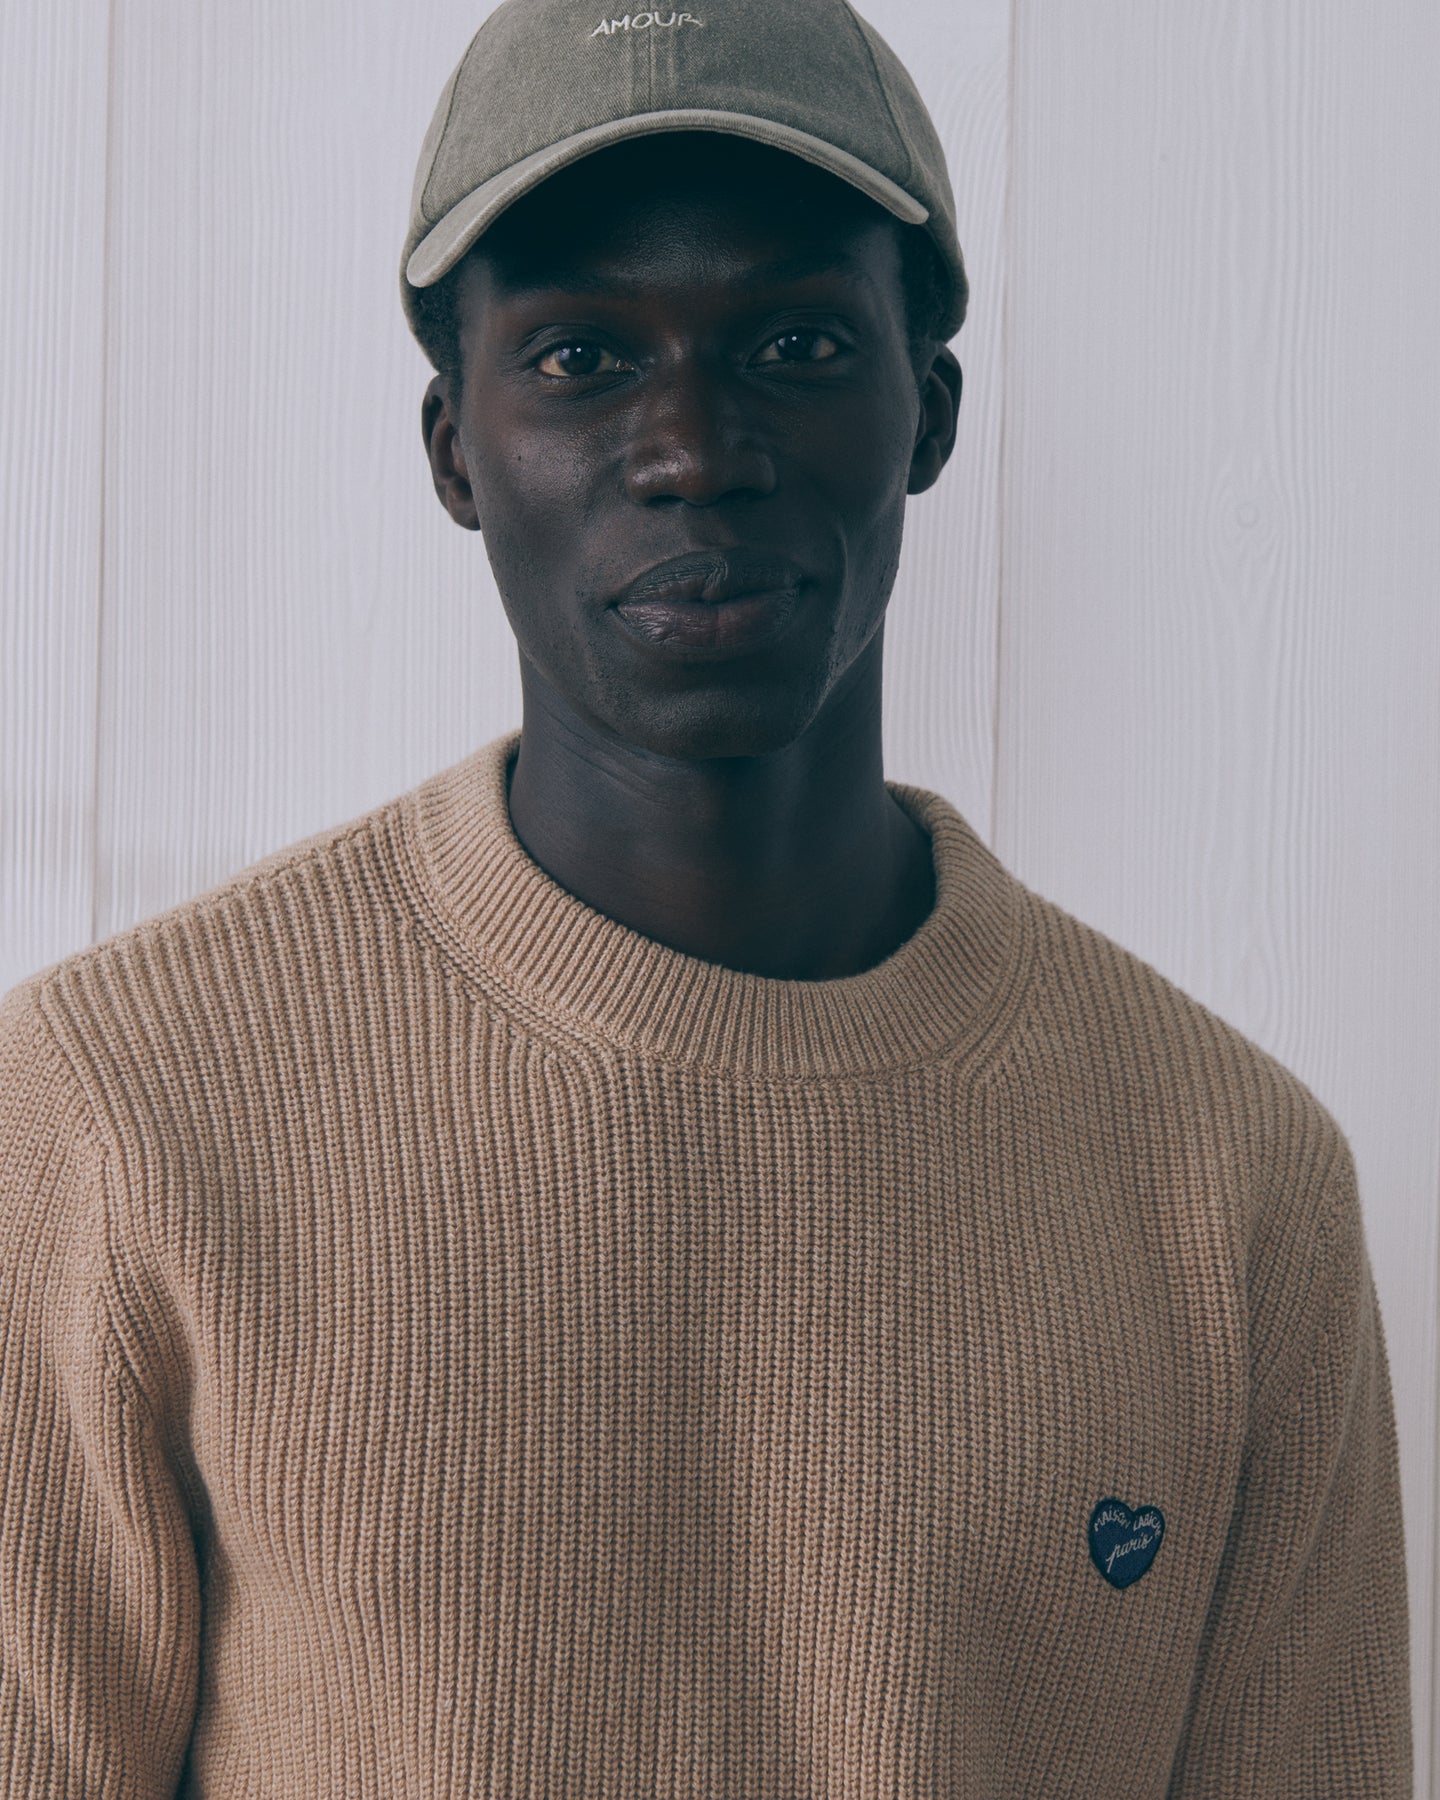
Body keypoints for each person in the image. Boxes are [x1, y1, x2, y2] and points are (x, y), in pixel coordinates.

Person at [0, 0, 1413, 1791]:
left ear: (930, 414)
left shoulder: (1231, 1181)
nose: (692, 446)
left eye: (798, 343)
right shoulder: (121, 1107)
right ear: (453, 449)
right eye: (582, 356)